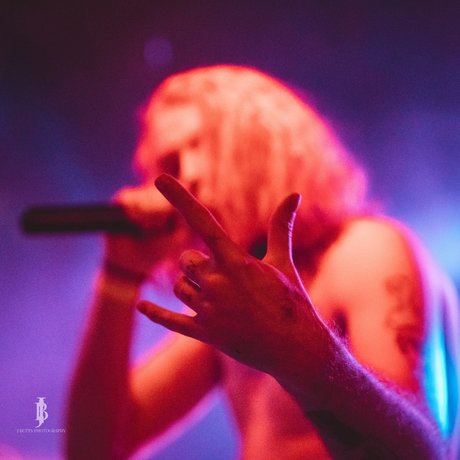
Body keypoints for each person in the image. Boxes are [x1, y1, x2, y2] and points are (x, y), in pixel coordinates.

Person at [66, 65, 460, 459]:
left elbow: (422, 454)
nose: (191, 175)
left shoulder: (365, 251)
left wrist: (306, 357)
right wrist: (120, 273)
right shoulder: (243, 299)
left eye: (208, 148)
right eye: (171, 163)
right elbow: (92, 450)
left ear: (265, 151)